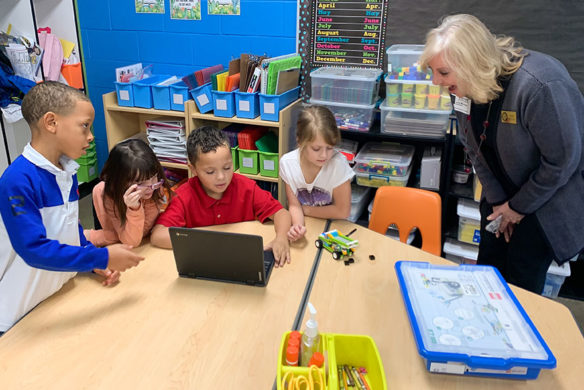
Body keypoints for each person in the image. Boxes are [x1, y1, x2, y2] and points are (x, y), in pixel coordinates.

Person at [420, 14, 584, 293]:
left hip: (545, 200)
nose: (436, 81)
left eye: (443, 73)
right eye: (433, 72)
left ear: (472, 63)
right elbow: (472, 146)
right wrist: (500, 204)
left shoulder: (540, 85)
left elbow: (561, 161)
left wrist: (517, 208)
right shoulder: (460, 86)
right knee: (489, 272)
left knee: (522, 284)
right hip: (502, 197)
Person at [0, 81, 144, 334]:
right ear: (51, 123)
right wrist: (103, 255)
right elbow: (33, 250)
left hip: (52, 300)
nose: (90, 136)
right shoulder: (18, 180)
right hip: (14, 317)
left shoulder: (67, 170)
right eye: (84, 126)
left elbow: (69, 227)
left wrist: (90, 260)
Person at [150, 126, 292, 266]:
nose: (221, 177)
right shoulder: (183, 196)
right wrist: (207, 243)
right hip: (204, 262)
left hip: (240, 261)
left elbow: (281, 213)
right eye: (210, 172)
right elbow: (157, 235)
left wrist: (281, 237)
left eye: (227, 167)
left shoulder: (246, 187)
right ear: (193, 169)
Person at [279, 105, 354, 242]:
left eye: (330, 148)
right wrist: (297, 227)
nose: (324, 155)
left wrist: (306, 210)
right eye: (316, 148)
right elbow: (294, 205)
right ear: (300, 141)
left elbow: (342, 211)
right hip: (309, 226)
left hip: (336, 229)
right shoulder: (287, 163)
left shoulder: (338, 165)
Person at [86, 139, 171, 247]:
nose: (151, 187)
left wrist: (99, 237)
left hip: (131, 240)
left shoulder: (154, 186)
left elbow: (145, 230)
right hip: (120, 244)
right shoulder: (107, 193)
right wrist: (134, 209)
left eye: (154, 177)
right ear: (120, 181)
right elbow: (133, 241)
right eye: (140, 182)